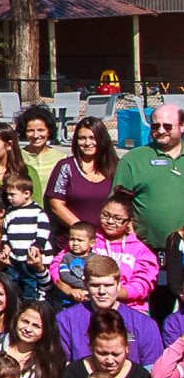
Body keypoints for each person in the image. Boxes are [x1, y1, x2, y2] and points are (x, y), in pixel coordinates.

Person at [55, 256, 162, 364]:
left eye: (108, 285)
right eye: (95, 285)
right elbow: (61, 367)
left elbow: (152, 370)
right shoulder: (65, 320)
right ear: (85, 285)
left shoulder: (143, 324)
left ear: (119, 285)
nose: (102, 291)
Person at [114, 103, 184, 250]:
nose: (160, 131)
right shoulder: (133, 159)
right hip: (145, 251)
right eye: (155, 126)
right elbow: (118, 204)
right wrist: (131, 236)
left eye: (167, 126)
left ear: (182, 126)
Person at [85, 196, 158, 314]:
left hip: (131, 308)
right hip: (90, 304)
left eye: (117, 218)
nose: (110, 221)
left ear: (129, 222)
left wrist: (110, 293)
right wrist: (68, 288)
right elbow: (60, 263)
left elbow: (143, 284)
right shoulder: (88, 239)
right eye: (105, 215)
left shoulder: (141, 250)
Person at [46, 117, 117, 238]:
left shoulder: (116, 167)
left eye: (93, 138)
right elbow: (56, 205)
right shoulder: (66, 167)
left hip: (108, 240)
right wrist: (84, 232)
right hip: (74, 240)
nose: (87, 143)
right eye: (82, 138)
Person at [17, 105, 65, 198]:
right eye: (30, 131)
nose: (36, 135)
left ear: (49, 131)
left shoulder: (61, 157)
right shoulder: (16, 156)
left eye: (41, 130)